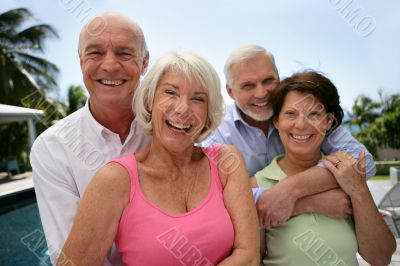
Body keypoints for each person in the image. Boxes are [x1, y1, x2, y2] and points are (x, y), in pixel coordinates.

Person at [57, 51, 260, 265]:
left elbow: (249, 255)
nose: (183, 109)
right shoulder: (115, 179)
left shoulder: (225, 162)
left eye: (198, 99)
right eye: (171, 93)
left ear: (208, 112)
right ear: (150, 100)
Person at [204, 45, 376, 228]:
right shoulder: (217, 133)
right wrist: (309, 203)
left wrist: (291, 188)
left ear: (278, 78)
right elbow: (213, 201)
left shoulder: (306, 116)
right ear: (230, 91)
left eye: (268, 80)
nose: (261, 93)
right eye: (248, 85)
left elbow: (363, 161)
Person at [30, 13, 151, 264]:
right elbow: (71, 260)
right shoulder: (51, 149)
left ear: (145, 61)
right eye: (95, 53)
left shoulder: (172, 129)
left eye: (124, 53)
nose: (109, 66)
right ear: (81, 60)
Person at [252, 71, 395, 265]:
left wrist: (358, 191)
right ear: (277, 121)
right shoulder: (258, 184)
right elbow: (252, 259)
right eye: (291, 114)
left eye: (314, 114)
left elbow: (381, 257)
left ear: (328, 122)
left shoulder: (344, 173)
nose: (301, 125)